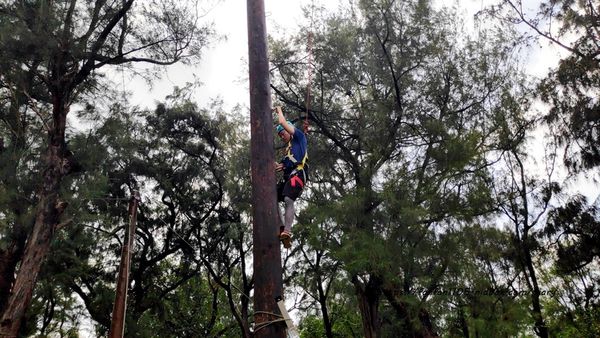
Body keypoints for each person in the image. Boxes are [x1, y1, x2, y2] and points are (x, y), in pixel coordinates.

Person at [274, 106, 308, 248]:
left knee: (288, 199)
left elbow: (282, 122)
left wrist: (279, 111)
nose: (282, 136)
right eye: (280, 135)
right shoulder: (288, 150)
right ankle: (282, 228)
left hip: (299, 174)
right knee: (272, 196)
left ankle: (287, 231)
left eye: (283, 133)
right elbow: (279, 167)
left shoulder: (299, 137)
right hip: (289, 177)